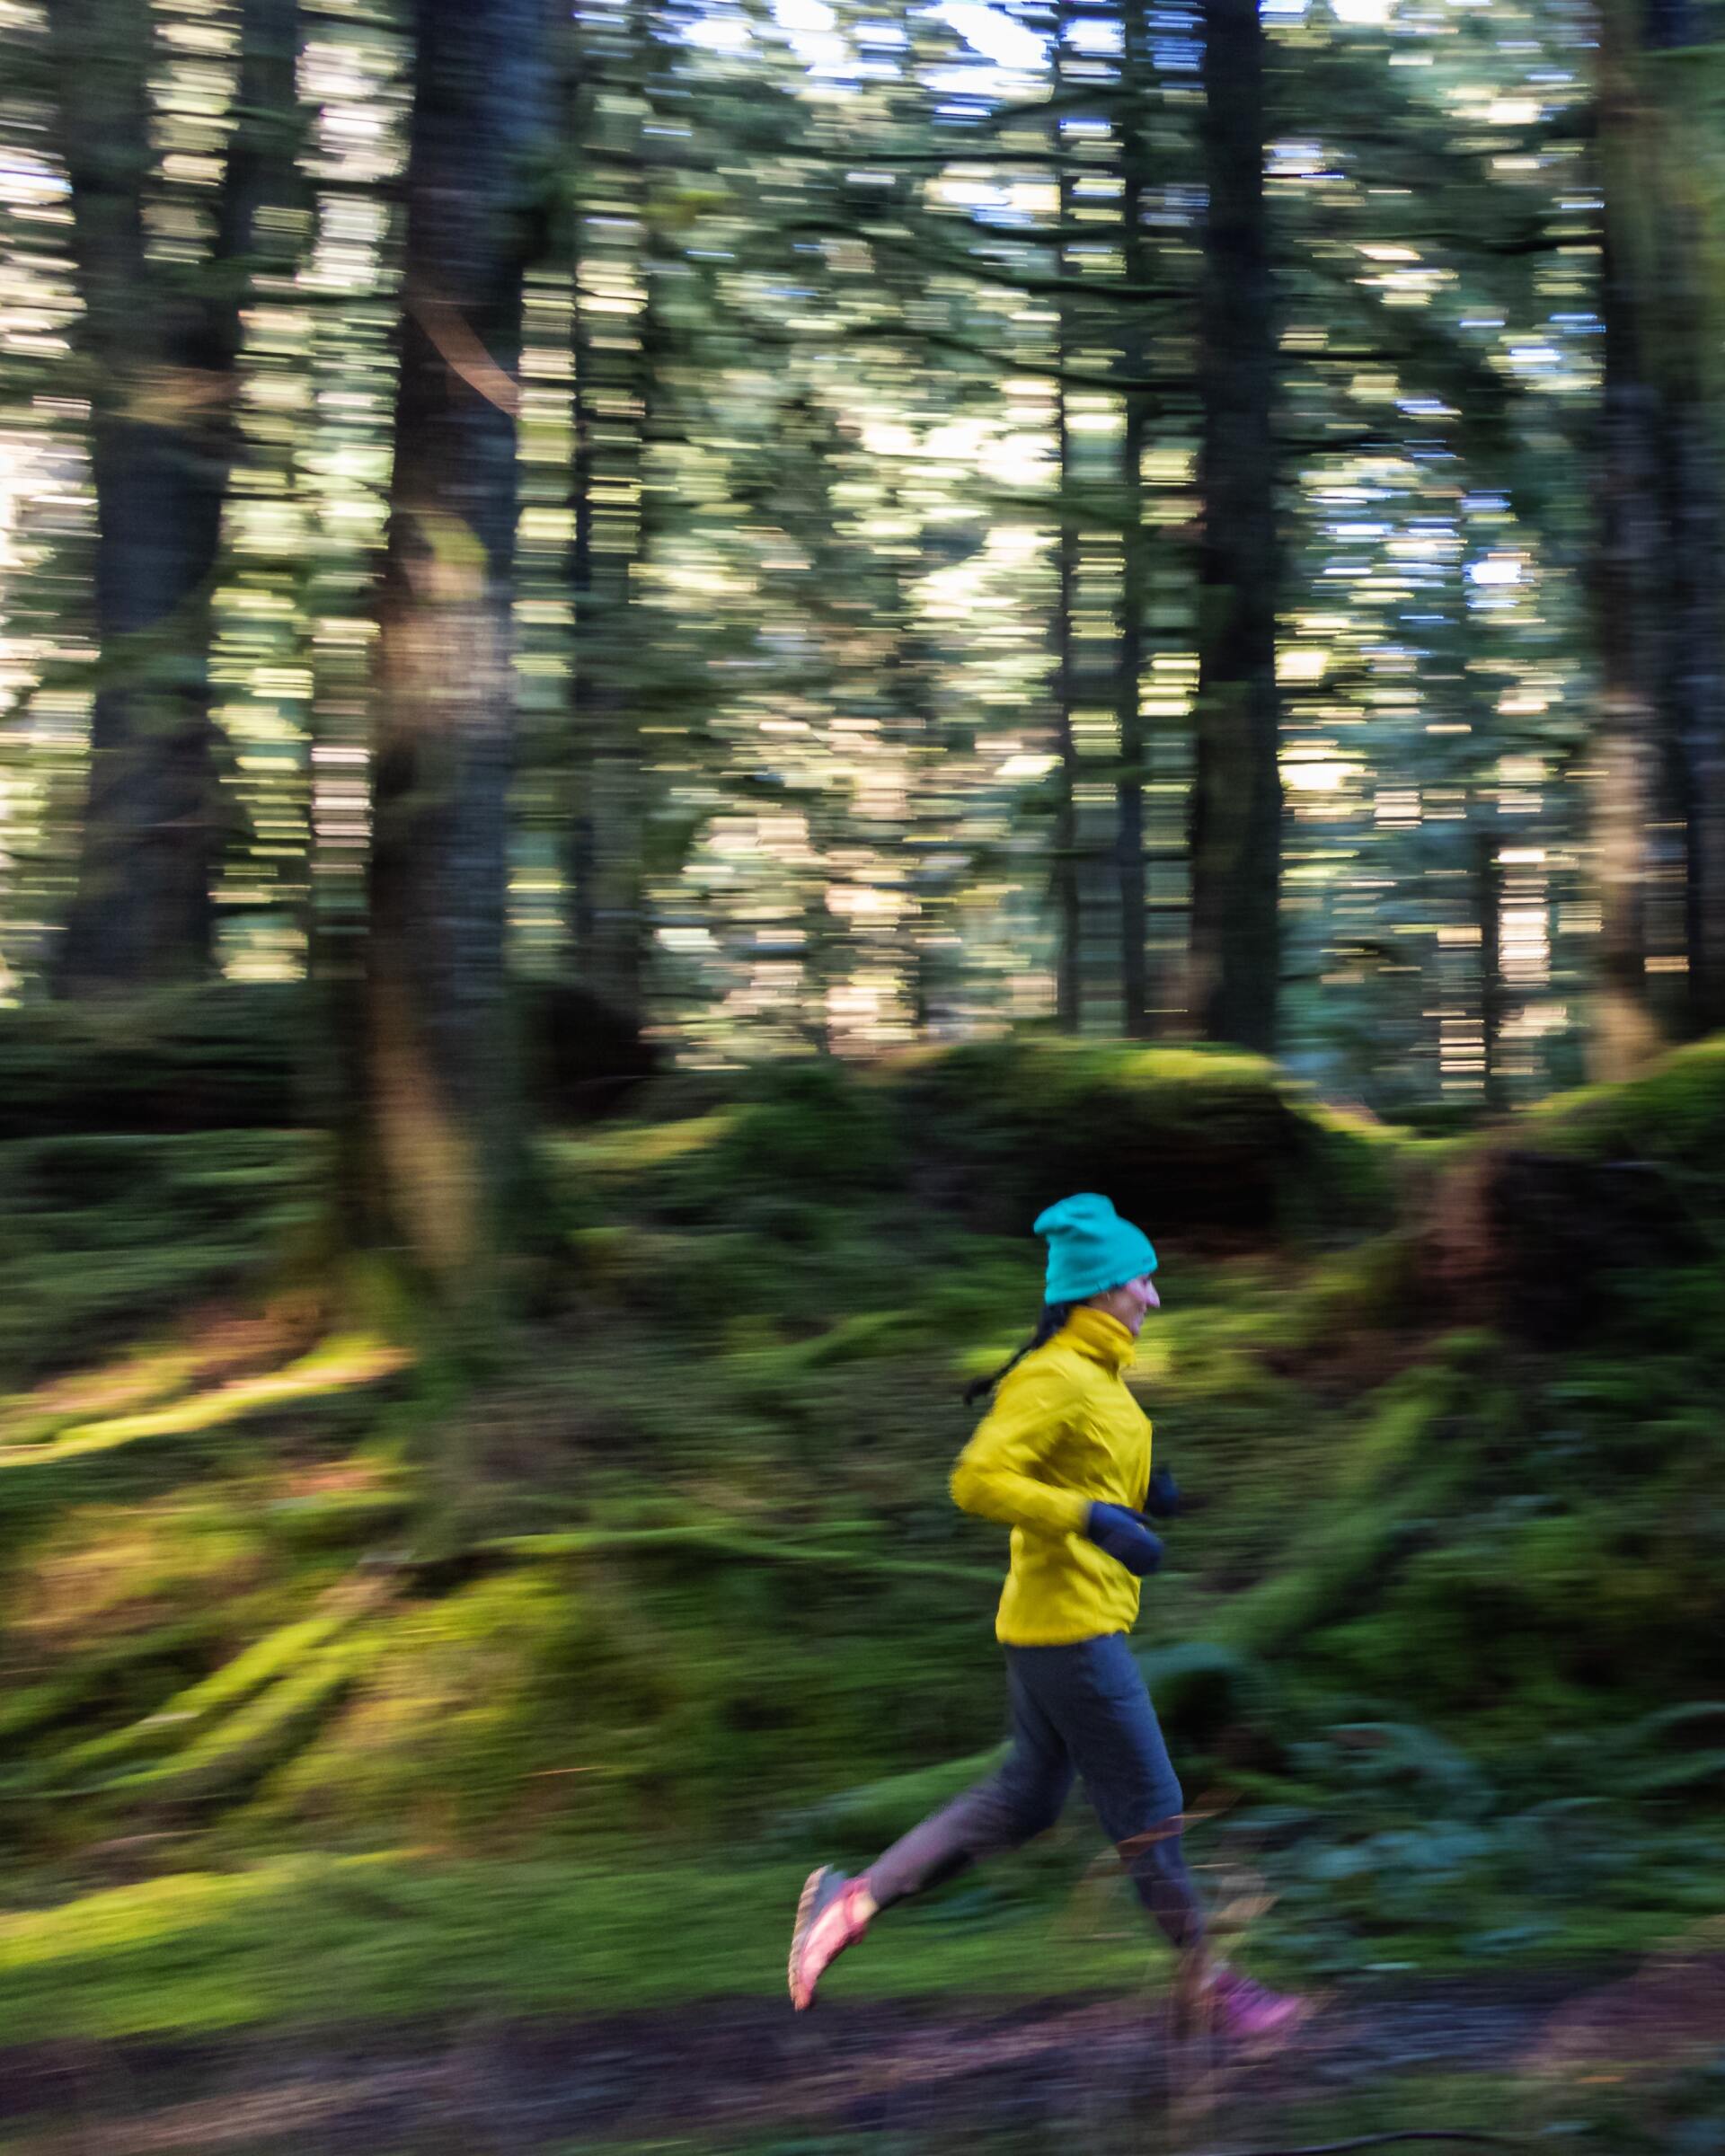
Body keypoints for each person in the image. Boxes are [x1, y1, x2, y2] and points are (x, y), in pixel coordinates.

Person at [787, 1192, 1305, 2040]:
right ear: (1104, 1287)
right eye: (1144, 1279)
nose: (1155, 1297)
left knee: (1025, 1801)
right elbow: (976, 1479)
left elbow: (1075, 1469)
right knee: (1151, 1804)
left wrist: (1140, 1499)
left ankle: (849, 1902)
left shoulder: (1093, 1374)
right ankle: (1211, 1989)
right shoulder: (1054, 1375)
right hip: (1071, 1632)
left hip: (1055, 1625)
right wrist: (1092, 1519)